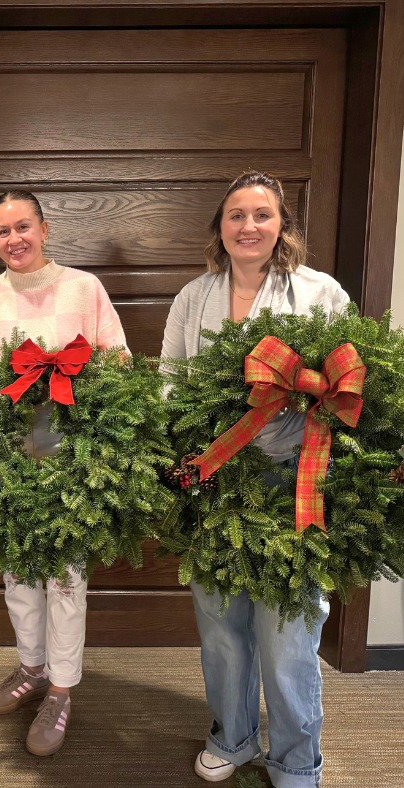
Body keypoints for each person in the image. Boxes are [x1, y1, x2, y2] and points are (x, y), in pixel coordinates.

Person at [161, 171, 349, 787]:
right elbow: (169, 383)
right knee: (221, 626)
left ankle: (296, 759)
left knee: (289, 633)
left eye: (262, 215)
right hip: (214, 480)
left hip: (295, 480)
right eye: (236, 215)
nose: (248, 226)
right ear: (219, 227)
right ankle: (233, 736)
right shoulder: (193, 297)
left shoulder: (321, 294)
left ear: (282, 225)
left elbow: (351, 385)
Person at [0, 190, 127, 757]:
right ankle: (31, 668)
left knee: (67, 580)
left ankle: (60, 689)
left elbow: (118, 362)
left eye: (23, 226)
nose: (14, 239)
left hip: (74, 462)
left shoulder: (84, 288)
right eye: (3, 231)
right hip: (10, 461)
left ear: (45, 228)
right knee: (18, 576)